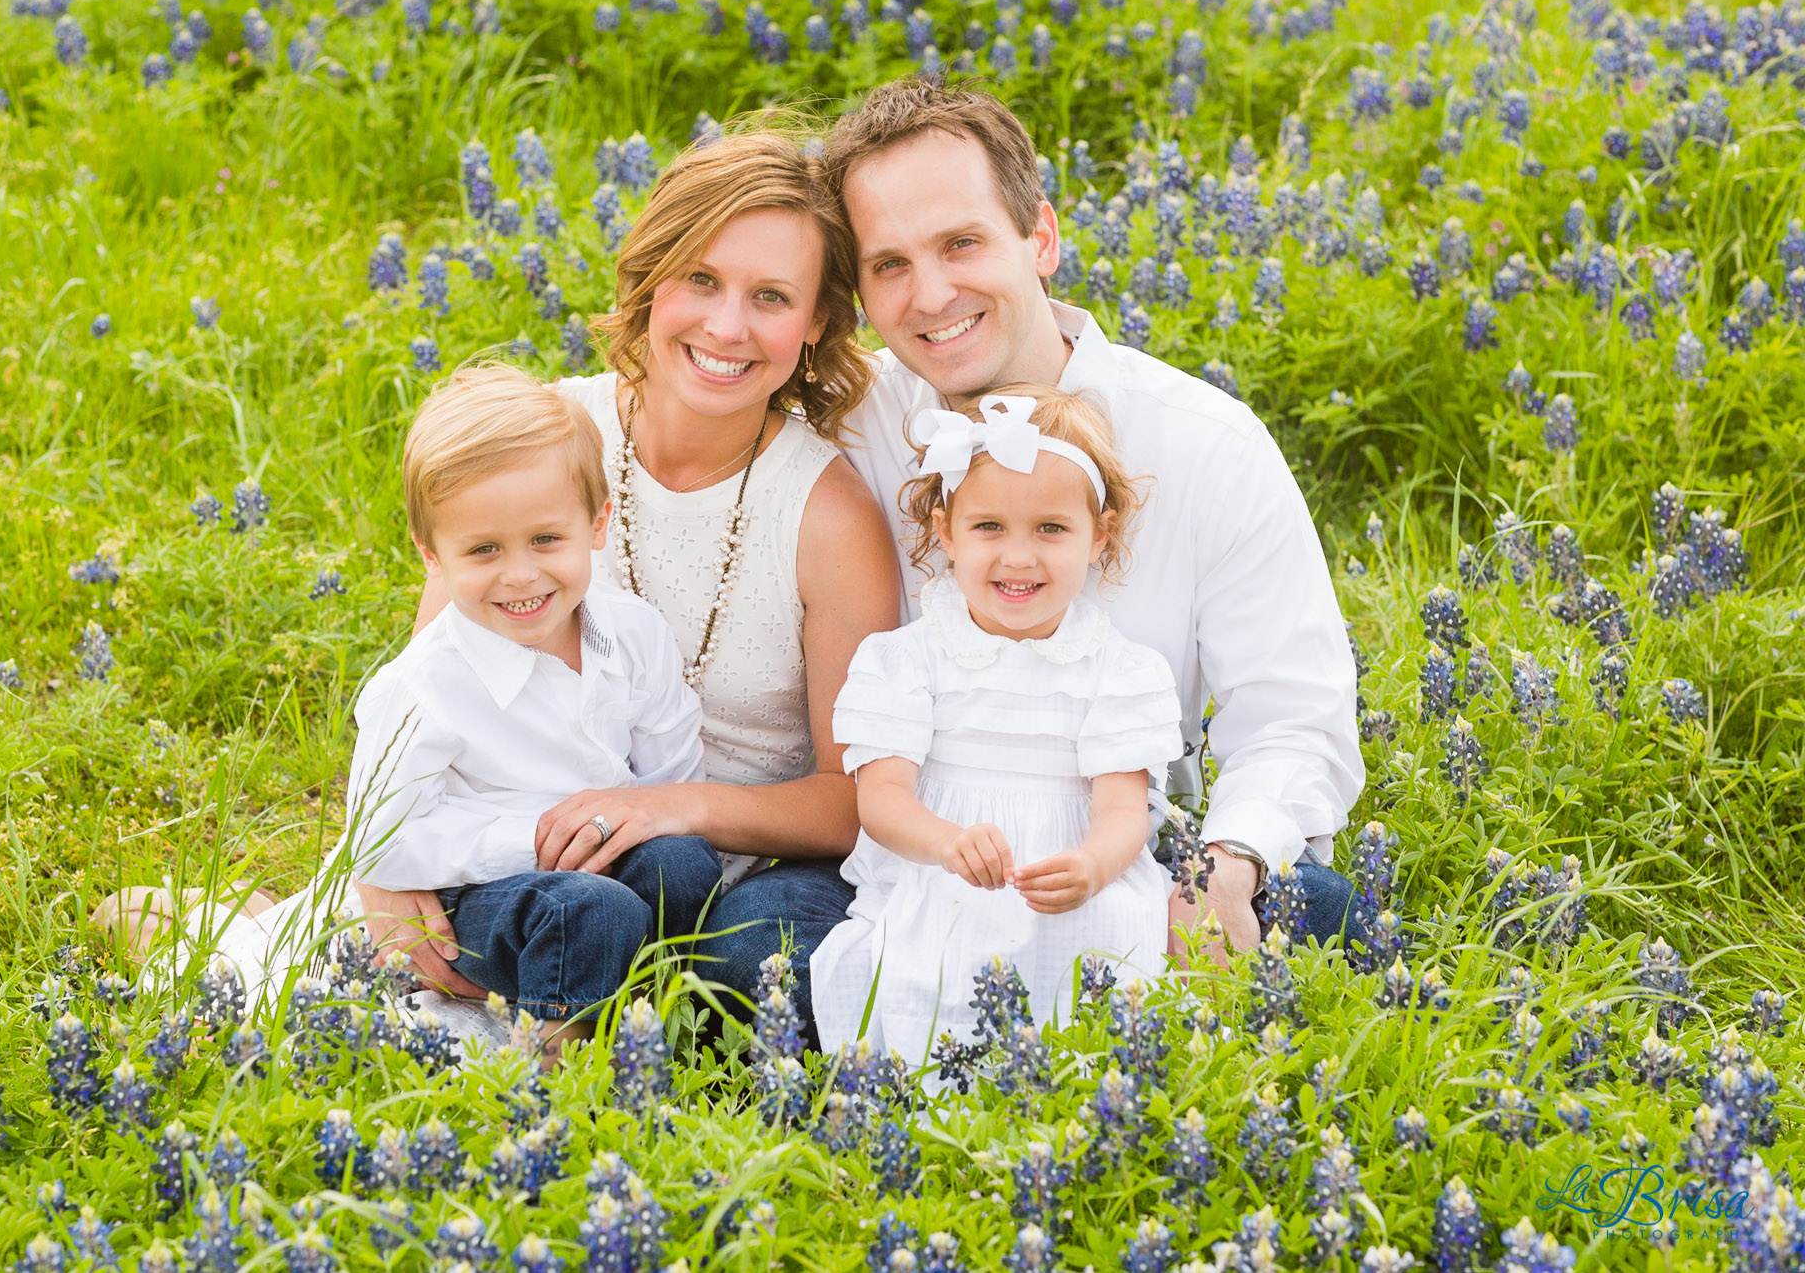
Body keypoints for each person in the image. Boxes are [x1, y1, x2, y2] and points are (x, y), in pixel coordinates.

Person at [820, 74, 1367, 962]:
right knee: (754, 939)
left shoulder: (1203, 443)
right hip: (916, 861)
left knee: (1322, 906)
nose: (928, 296)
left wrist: (1226, 865)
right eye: (889, 265)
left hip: (1124, 847)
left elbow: (1293, 717)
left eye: (961, 243)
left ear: (1040, 235)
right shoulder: (851, 427)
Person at [392, 127, 904, 1043]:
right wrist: (383, 878)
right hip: (545, 844)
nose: (727, 326)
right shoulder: (551, 436)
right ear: (654, 276)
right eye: (701, 279)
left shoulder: (829, 515)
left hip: (758, 860)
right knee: (545, 925)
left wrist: (679, 806)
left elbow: (854, 797)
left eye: (772, 297)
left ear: (816, 323)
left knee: (744, 981)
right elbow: (430, 681)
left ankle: (579, 1010)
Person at [98, 365, 724, 1057]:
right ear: (433, 556)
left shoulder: (635, 636)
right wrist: (538, 841)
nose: (521, 575)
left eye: (547, 540)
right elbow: (379, 837)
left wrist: (624, 829)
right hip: (470, 896)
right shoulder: (425, 683)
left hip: (598, 861)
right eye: (483, 550)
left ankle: (637, 1007)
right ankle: (560, 1064)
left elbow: (674, 781)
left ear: (597, 524)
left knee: (685, 864)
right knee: (588, 912)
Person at [812, 385, 1181, 1068]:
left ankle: (1090, 1105)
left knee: (1114, 948)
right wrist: (945, 842)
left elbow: (1124, 808)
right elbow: (882, 799)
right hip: (943, 868)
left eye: (1050, 529)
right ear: (945, 529)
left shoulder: (1120, 670)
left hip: (1070, 877)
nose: (1018, 557)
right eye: (989, 528)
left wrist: (1094, 865)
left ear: (1100, 535)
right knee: (926, 966)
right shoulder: (905, 658)